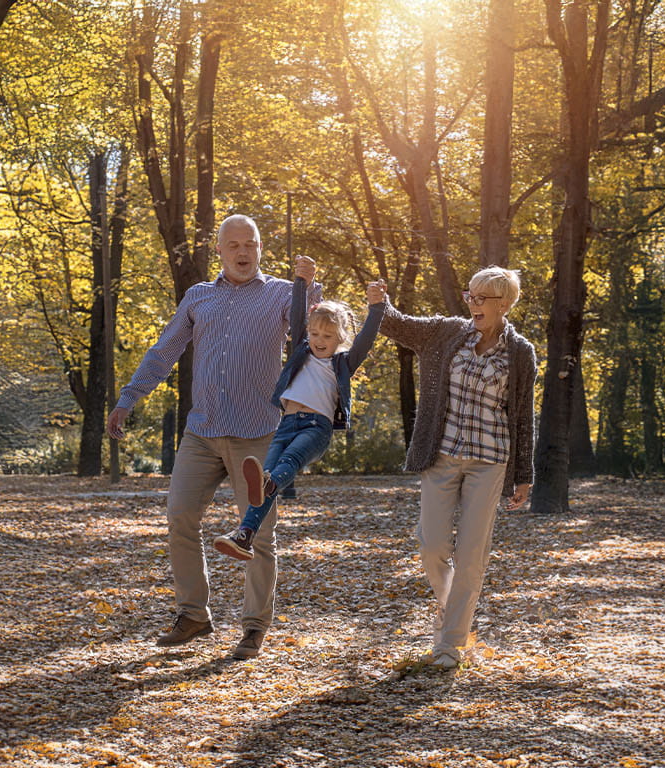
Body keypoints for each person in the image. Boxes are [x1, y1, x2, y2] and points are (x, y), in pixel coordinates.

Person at [107, 214, 313, 661]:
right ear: (218, 250)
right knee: (180, 516)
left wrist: (307, 285)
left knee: (257, 532)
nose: (243, 252)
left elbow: (310, 330)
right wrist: (128, 398)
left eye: (251, 244)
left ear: (260, 249)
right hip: (202, 431)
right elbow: (164, 352)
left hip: (259, 434)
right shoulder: (198, 297)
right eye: (234, 244)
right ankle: (193, 615)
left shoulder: (282, 293)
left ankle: (255, 626)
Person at [366, 267, 536, 670]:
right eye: (470, 296)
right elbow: (399, 325)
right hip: (441, 456)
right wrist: (379, 302)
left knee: (471, 553)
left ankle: (451, 643)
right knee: (433, 545)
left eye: (482, 298)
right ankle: (451, 608)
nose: (473, 304)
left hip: (490, 461)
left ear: (504, 304)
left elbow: (523, 414)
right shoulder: (445, 332)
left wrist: (524, 475)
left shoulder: (520, 352)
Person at [212, 260, 385, 561]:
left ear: (340, 338)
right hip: (287, 423)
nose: (319, 341)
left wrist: (377, 307)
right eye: (315, 334)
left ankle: (264, 491)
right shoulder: (300, 353)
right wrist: (301, 282)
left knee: (285, 465)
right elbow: (295, 314)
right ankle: (245, 535)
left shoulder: (342, 363)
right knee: (264, 485)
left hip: (315, 428)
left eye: (327, 336)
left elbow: (366, 340)